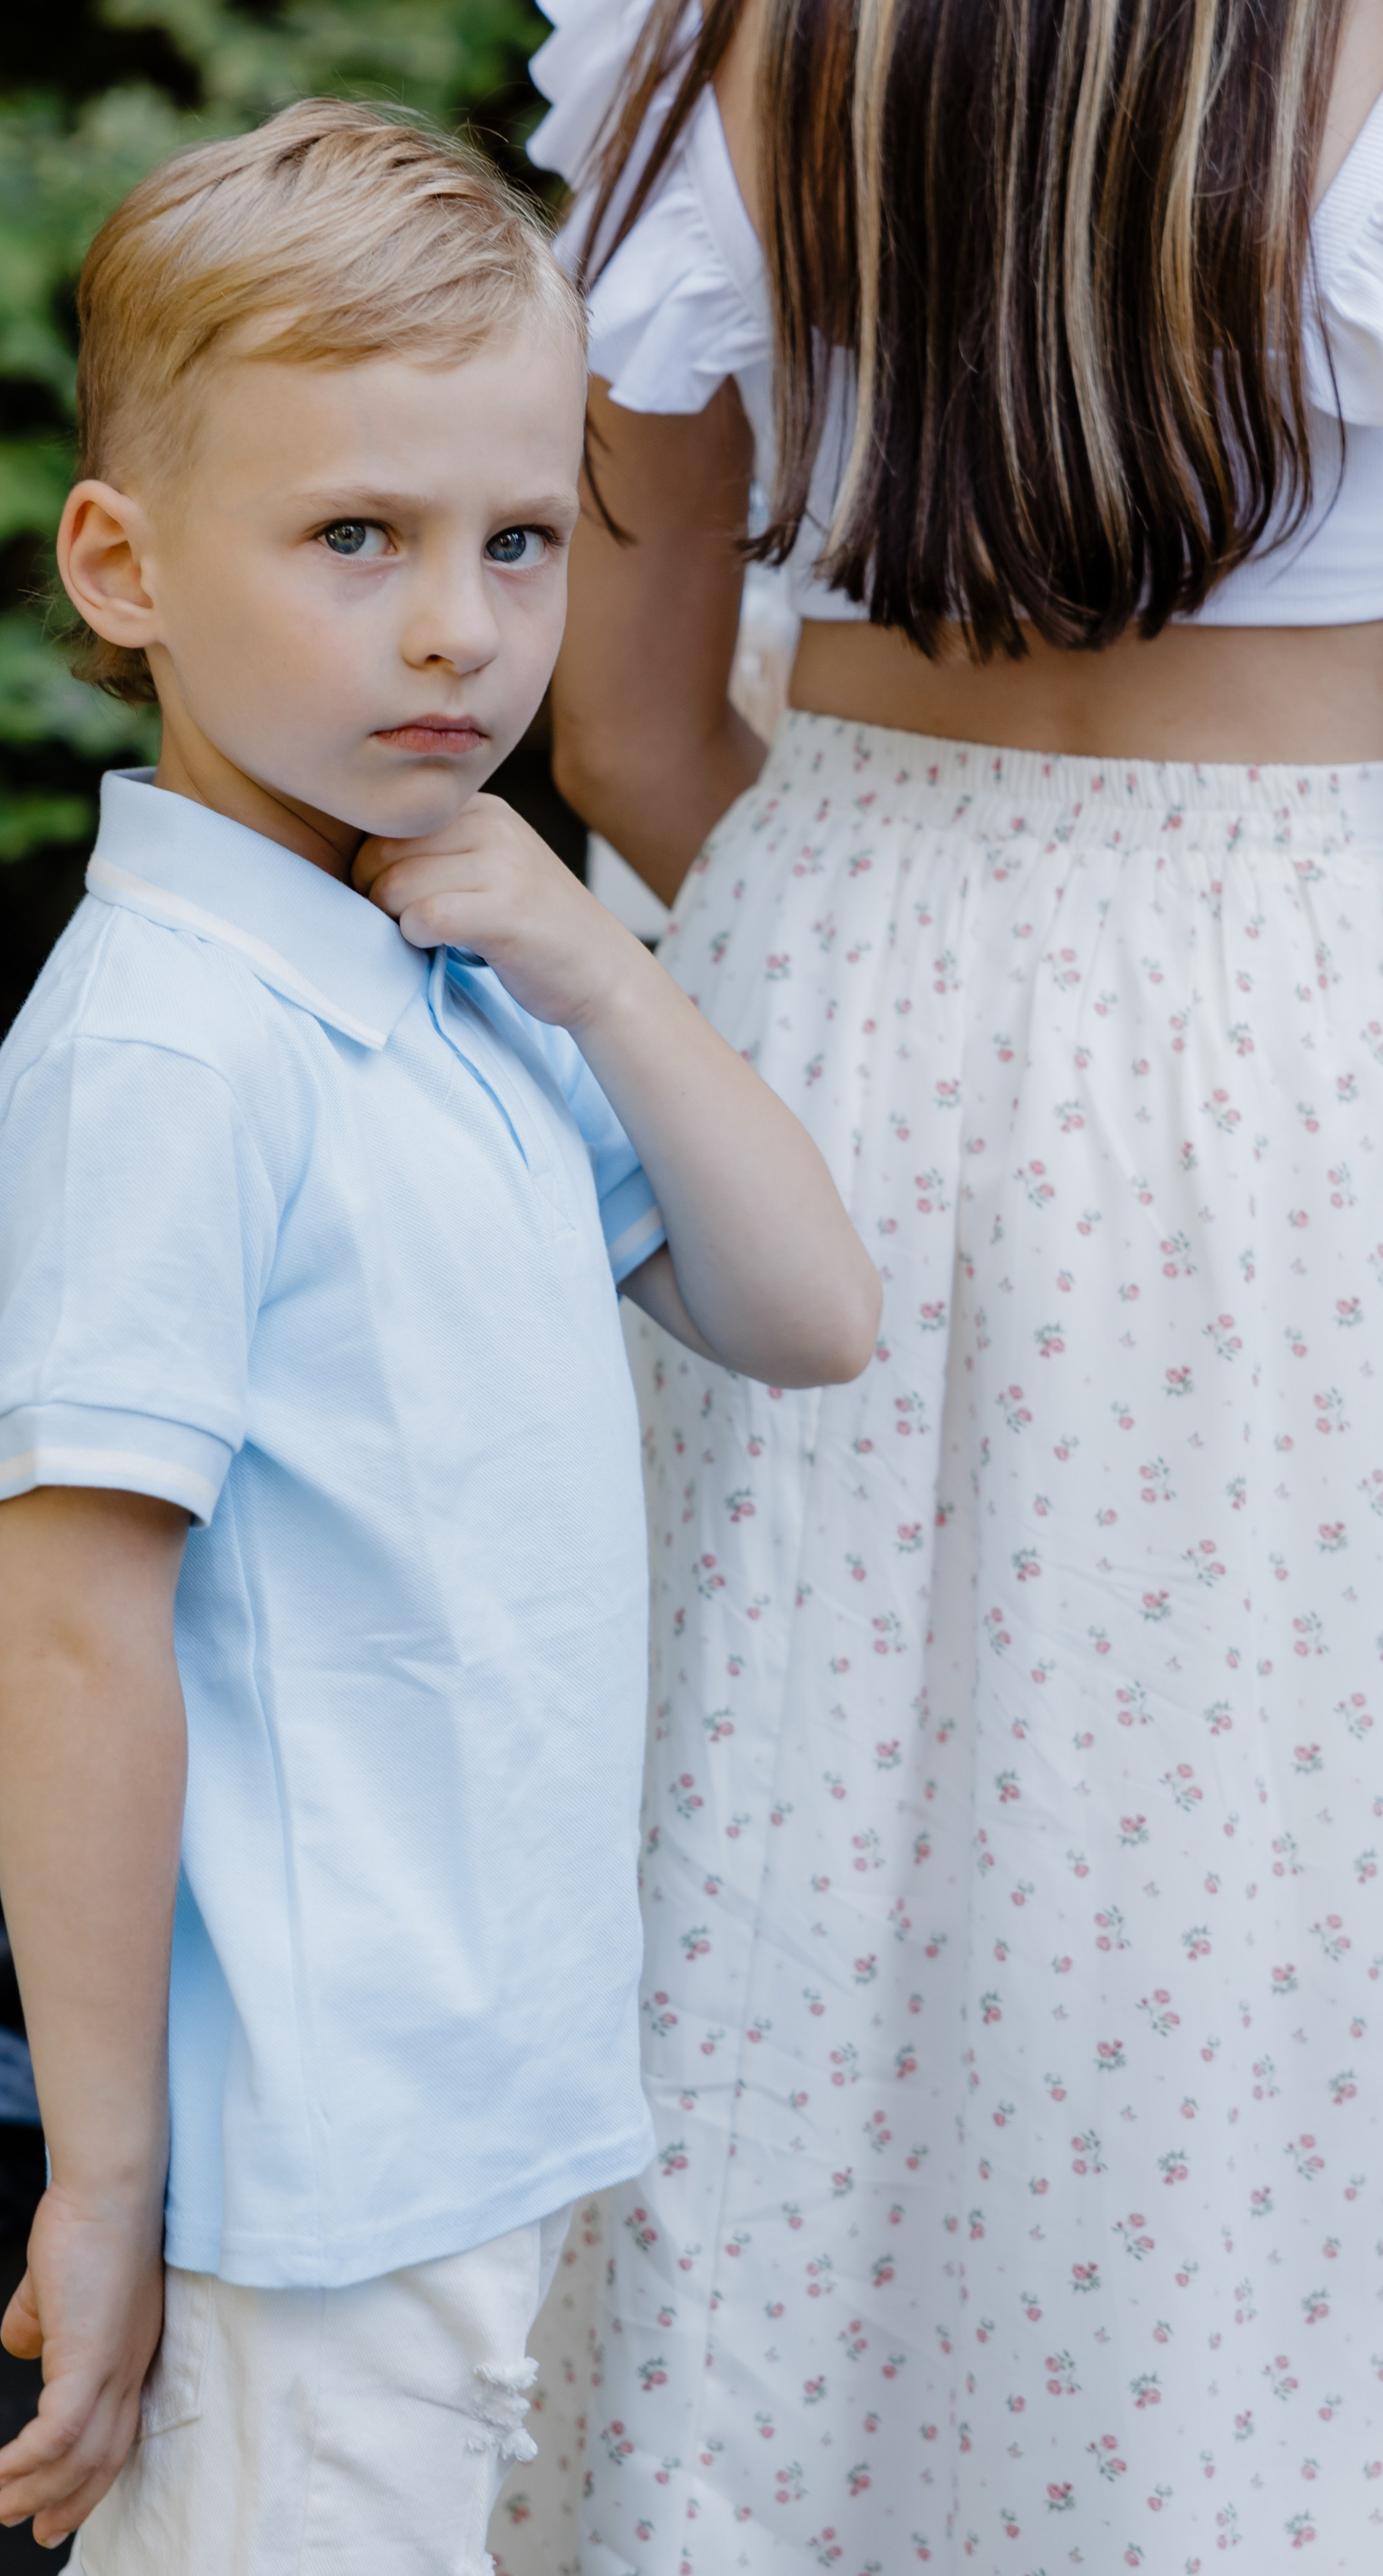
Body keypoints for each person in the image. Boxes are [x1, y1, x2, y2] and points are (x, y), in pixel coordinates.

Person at [0, 100, 878, 2575]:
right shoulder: (178, 1044)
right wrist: (106, 2184)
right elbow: (71, 1621)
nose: (462, 629)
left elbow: (809, 1312)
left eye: (516, 539)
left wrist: (593, 952)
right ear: (124, 566)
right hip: (310, 2164)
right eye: (355, 538)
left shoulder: (447, 976)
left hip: (495, 2102)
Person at [517, 0, 1383, 2568]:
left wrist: (915, 905)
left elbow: (628, 731)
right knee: (1255, 1890)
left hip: (842, 993)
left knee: (786, 1866)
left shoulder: (730, 35)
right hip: (1321, 1012)